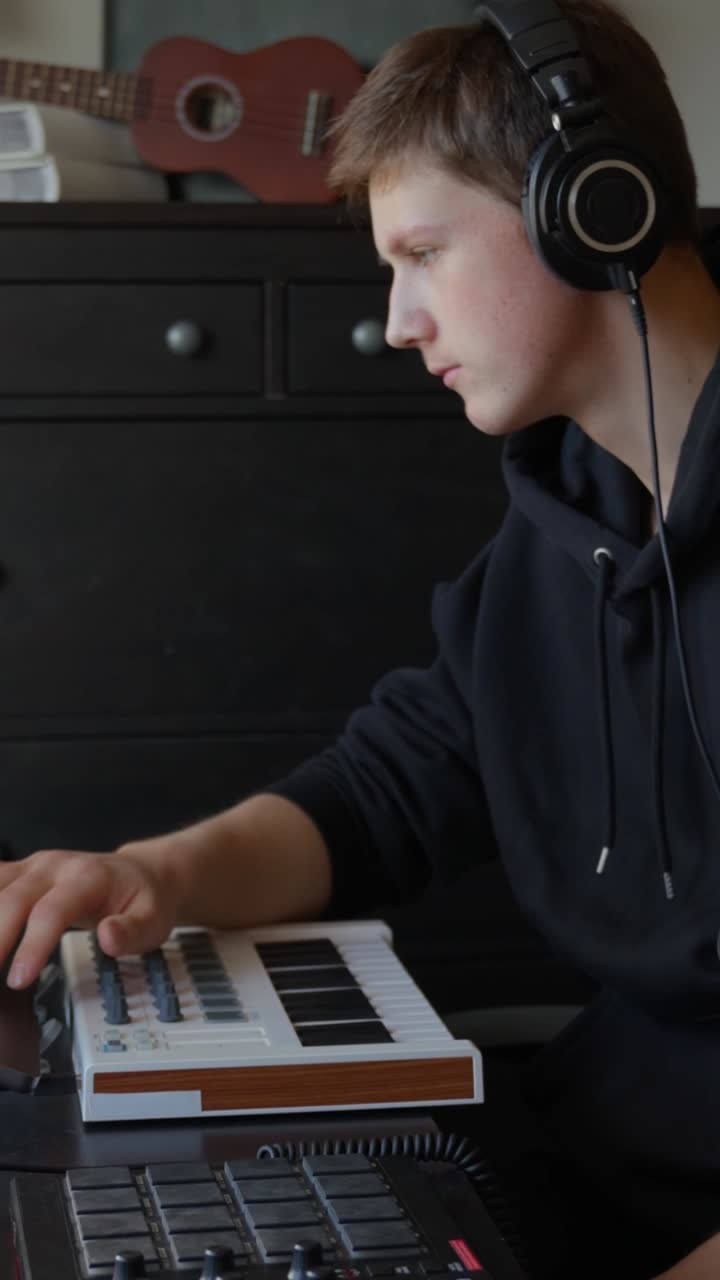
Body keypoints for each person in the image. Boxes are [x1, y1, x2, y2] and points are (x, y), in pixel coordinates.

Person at [1, 1, 720, 1275]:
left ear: (591, 209)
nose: (399, 321)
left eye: (426, 253)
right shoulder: (571, 516)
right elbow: (394, 785)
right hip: (580, 1158)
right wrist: (154, 875)